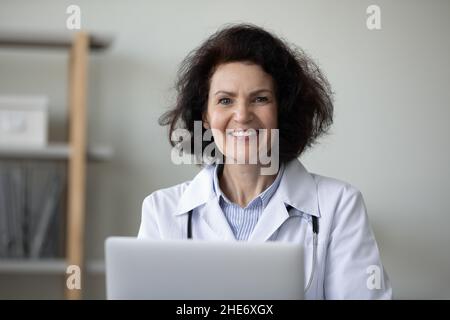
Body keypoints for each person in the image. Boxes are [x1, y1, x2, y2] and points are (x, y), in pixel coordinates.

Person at [138, 23, 392, 299]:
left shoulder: (339, 206)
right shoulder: (161, 211)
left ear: (282, 111)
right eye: (225, 100)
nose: (242, 115)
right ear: (206, 117)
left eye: (260, 99)